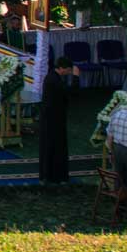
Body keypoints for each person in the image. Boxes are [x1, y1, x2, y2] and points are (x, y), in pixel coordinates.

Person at [37, 56, 77, 185]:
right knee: (54, 147)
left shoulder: (52, 77)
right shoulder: (54, 80)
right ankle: (53, 175)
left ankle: (50, 175)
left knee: (51, 147)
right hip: (53, 119)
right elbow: (71, 92)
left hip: (52, 117)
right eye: (68, 70)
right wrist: (76, 78)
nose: (69, 72)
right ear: (62, 68)